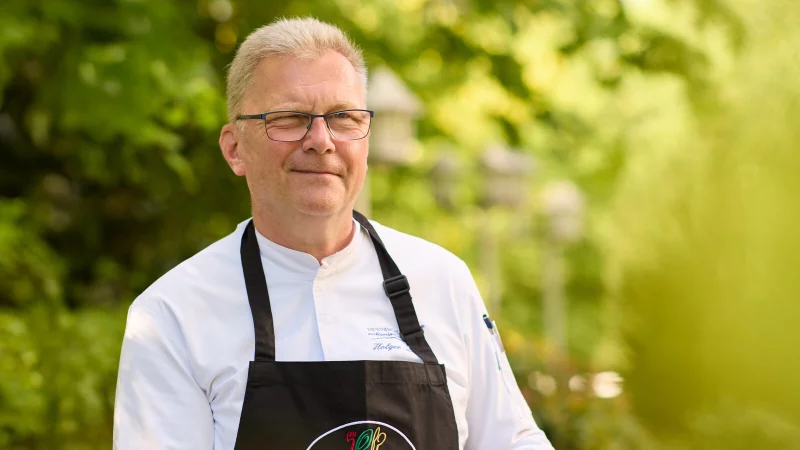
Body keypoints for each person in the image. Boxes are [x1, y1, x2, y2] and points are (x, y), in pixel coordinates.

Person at [112, 17, 554, 450]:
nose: (321, 140)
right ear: (234, 149)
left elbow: (511, 440)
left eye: (342, 117)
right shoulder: (172, 315)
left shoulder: (442, 281)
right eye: (289, 118)